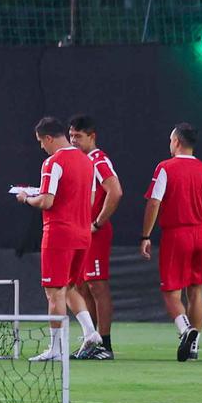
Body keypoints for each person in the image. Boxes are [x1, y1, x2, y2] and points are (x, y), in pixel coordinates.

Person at [141, 122, 202, 362]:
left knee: (171, 292)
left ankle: (185, 330)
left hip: (176, 234)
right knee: (196, 292)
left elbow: (153, 203)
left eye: (171, 140)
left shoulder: (165, 168)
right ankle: (194, 347)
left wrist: (145, 235)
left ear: (177, 141)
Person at [16, 117, 100, 362]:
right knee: (70, 287)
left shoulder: (52, 162)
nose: (42, 147)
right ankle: (90, 332)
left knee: (54, 292)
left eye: (42, 142)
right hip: (83, 233)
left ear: (49, 138)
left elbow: (46, 201)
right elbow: (91, 198)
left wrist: (25, 198)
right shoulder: (87, 161)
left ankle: (56, 349)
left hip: (59, 234)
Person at [68, 115, 123, 360]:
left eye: (78, 136)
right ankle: (93, 340)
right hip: (80, 232)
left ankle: (106, 344)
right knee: (81, 285)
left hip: (95, 233)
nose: (73, 141)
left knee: (97, 286)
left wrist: (98, 222)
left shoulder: (98, 160)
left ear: (92, 136)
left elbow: (115, 191)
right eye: (71, 136)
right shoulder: (80, 161)